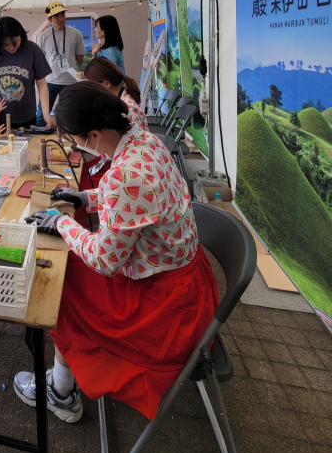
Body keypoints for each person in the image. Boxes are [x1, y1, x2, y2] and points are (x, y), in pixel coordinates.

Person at [14, 81, 218, 423]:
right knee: (68, 268)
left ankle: (61, 392)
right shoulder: (144, 140)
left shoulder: (125, 176)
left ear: (93, 135)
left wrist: (62, 225)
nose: (75, 146)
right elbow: (135, 207)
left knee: (57, 282)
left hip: (166, 309)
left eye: (75, 140)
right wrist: (85, 198)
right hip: (183, 283)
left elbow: (106, 261)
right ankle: (62, 382)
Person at [0, 17, 53, 129]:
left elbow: (41, 84)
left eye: (15, 42)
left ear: (21, 35)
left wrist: (46, 114)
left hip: (27, 117)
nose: (11, 48)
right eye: (5, 44)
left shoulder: (32, 49)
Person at [35, 0, 85, 125]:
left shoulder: (76, 34)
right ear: (49, 19)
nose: (61, 18)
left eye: (62, 14)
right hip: (49, 81)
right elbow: (40, 61)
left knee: (70, 114)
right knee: (42, 116)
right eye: (56, 16)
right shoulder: (43, 37)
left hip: (70, 81)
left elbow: (80, 58)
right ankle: (40, 139)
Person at [82, 57, 147, 130]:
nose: (92, 90)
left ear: (106, 83)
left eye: (93, 86)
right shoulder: (120, 96)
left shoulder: (127, 110)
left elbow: (133, 139)